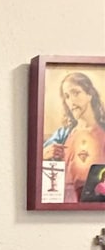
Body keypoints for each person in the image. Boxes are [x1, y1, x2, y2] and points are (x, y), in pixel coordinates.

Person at [42, 72, 105, 200]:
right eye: (67, 96)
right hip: (68, 202)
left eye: (76, 93)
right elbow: (37, 164)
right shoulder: (62, 135)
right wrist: (44, 155)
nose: (71, 101)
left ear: (89, 94)